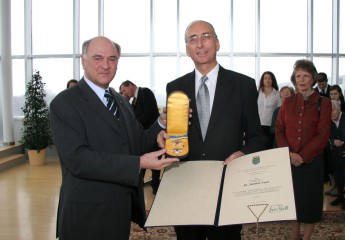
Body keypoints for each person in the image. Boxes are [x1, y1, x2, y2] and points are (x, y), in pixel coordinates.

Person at [50, 36, 179, 240]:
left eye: (112, 59)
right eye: (98, 58)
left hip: (120, 210)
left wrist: (161, 125)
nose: (106, 65)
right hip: (87, 215)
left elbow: (137, 142)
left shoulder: (120, 100)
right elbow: (78, 160)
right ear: (83, 61)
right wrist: (138, 163)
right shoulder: (64, 103)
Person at [166, 20, 266, 240]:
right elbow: (173, 136)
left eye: (206, 36)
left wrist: (242, 154)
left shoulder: (243, 86)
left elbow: (258, 137)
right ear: (187, 49)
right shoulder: (174, 88)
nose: (200, 43)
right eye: (193, 39)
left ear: (217, 43)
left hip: (227, 187)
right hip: (186, 187)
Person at [275, 59, 331, 240]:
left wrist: (302, 156)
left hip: (312, 163)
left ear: (312, 78)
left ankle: (306, 238)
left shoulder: (324, 102)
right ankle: (294, 236)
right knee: (292, 202)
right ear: (294, 79)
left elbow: (323, 136)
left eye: (305, 76)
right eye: (298, 76)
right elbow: (279, 129)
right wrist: (289, 154)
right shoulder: (288, 102)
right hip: (289, 161)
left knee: (310, 203)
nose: (301, 79)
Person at [120, 80, 161, 194]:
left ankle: (155, 186)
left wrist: (138, 128)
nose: (124, 93)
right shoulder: (133, 101)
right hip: (142, 137)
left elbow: (149, 112)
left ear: (131, 85)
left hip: (151, 134)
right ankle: (139, 185)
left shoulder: (145, 92)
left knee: (154, 161)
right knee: (142, 161)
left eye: (124, 90)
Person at [257, 71, 282, 149]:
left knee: (268, 147)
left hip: (270, 125)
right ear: (262, 80)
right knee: (258, 147)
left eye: (269, 78)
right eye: (265, 78)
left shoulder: (277, 94)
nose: (267, 80)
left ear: (273, 80)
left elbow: (279, 110)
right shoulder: (258, 93)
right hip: (258, 125)